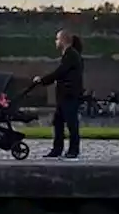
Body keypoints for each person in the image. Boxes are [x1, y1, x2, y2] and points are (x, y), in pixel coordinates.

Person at [33, 29, 83, 160]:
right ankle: (57, 149)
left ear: (63, 40)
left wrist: (43, 80)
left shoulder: (71, 55)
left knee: (71, 123)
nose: (55, 42)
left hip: (69, 95)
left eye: (57, 39)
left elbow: (59, 72)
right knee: (59, 122)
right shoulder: (70, 55)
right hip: (65, 95)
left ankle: (73, 150)